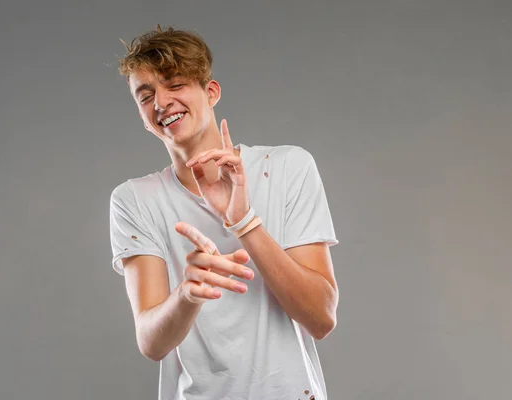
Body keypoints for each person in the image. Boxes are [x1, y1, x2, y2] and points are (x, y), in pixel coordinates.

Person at [109, 25, 340, 400]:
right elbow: (151, 342)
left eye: (175, 84)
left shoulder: (286, 167)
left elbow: (321, 317)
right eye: (145, 95)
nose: (161, 102)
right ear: (142, 116)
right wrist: (187, 294)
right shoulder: (134, 199)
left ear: (210, 92)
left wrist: (244, 221)